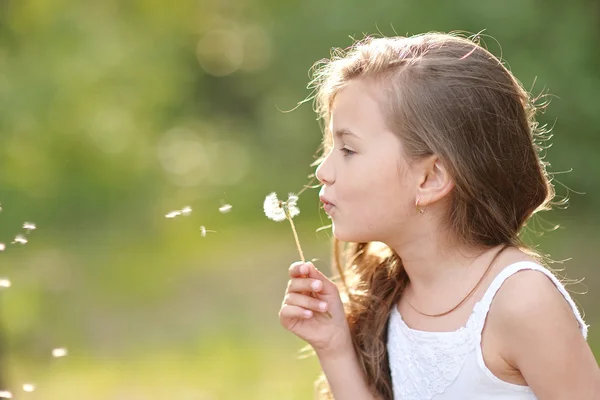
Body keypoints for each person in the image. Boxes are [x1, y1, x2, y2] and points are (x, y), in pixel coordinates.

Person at [278, 32, 600, 400]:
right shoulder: (396, 295)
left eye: (348, 149)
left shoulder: (520, 302)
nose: (323, 170)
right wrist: (334, 348)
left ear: (430, 178)